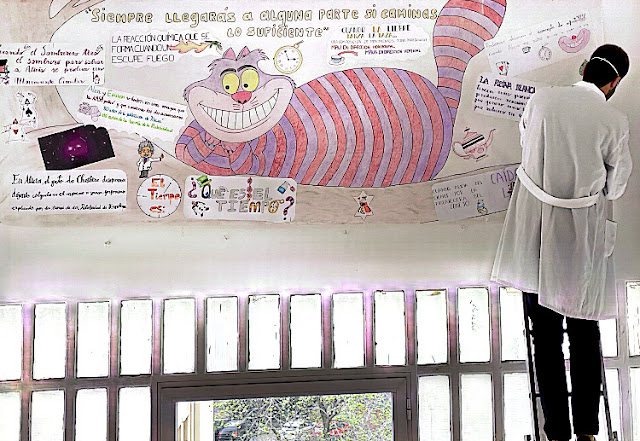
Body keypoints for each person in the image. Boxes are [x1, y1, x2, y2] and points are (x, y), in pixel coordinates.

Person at [491, 44, 632, 441]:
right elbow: (617, 186)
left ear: (584, 68)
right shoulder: (613, 120)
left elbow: (528, 147)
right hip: (580, 240)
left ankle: (556, 432)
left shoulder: (541, 100)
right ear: (614, 82)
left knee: (545, 338)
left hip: (534, 233)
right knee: (584, 333)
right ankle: (587, 431)